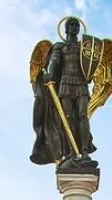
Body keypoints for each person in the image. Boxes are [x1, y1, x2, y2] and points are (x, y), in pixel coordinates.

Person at [30, 15, 97, 168]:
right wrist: (49, 74)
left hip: (80, 83)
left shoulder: (84, 48)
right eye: (71, 25)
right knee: (67, 118)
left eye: (76, 25)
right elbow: (54, 62)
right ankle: (71, 152)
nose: (74, 27)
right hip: (65, 83)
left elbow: (90, 69)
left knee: (82, 116)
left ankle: (84, 151)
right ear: (66, 28)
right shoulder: (60, 46)